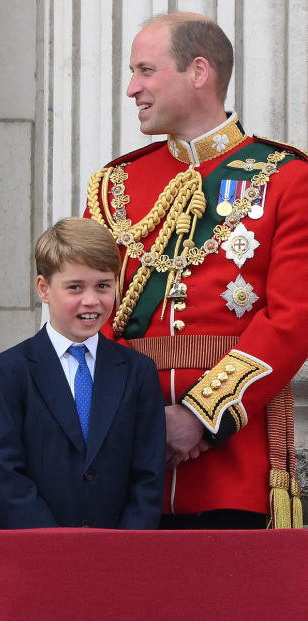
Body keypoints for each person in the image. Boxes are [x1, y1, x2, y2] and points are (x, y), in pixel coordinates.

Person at [85, 13, 308, 528]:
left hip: (232, 454)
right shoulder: (113, 185)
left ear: (199, 72)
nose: (130, 88)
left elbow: (291, 321)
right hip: (126, 450)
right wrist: (135, 421)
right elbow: (92, 313)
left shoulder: (287, 178)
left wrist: (201, 416)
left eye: (145, 70)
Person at [0, 218, 165, 529]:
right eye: (75, 287)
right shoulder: (9, 370)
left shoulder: (137, 371)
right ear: (44, 288)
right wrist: (57, 547)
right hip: (32, 551)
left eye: (103, 286)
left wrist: (127, 546)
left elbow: (148, 474)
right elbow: (3, 472)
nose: (91, 300)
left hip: (117, 554)